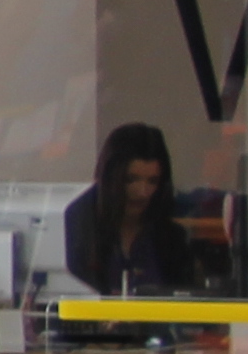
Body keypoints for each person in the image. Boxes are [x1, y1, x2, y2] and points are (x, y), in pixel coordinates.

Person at [65, 120, 200, 298]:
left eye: (152, 181)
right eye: (130, 179)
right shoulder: (78, 232)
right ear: (109, 179)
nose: (142, 192)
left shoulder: (172, 240)